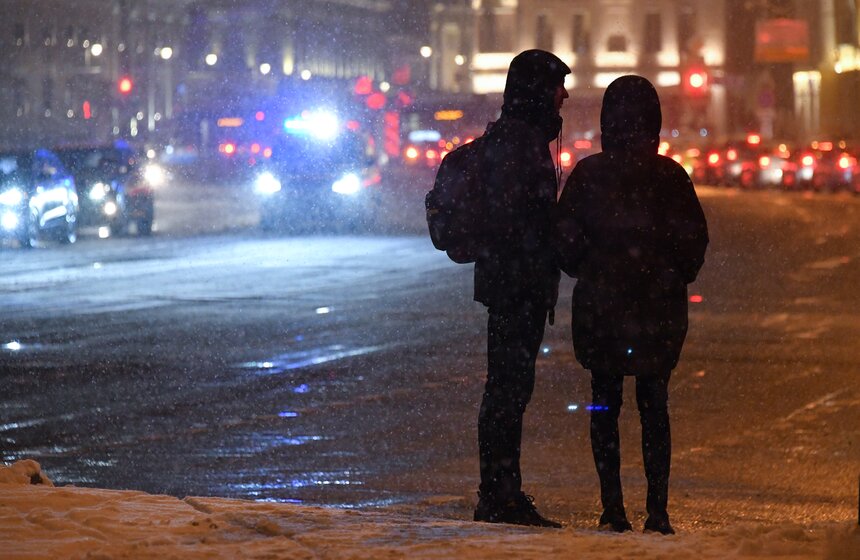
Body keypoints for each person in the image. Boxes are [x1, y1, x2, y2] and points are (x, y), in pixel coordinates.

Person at [555, 75, 708, 535]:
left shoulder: (589, 175)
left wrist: (593, 269)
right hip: (657, 309)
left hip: (602, 307)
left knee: (604, 405)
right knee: (654, 405)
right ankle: (657, 510)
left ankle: (612, 508)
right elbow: (693, 243)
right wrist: (668, 275)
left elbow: (565, 242)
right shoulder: (670, 176)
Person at [472, 49, 570, 528]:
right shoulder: (521, 144)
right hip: (516, 284)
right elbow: (522, 220)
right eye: (557, 87)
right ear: (538, 91)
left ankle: (500, 491)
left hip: (510, 281)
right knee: (508, 392)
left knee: (508, 390)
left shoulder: (514, 137)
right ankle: (499, 495)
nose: (564, 96)